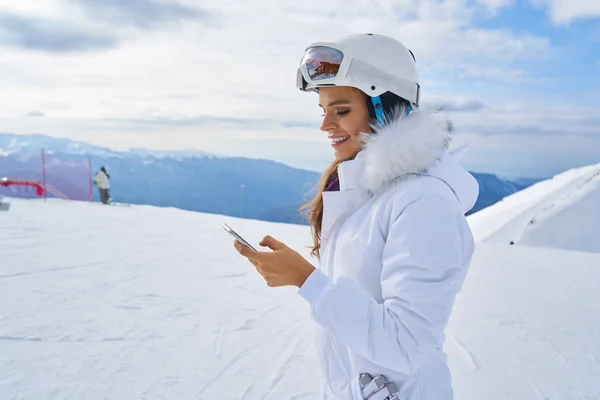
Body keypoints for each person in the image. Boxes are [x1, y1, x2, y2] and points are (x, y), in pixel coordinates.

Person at [234, 33, 479, 399]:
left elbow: (405, 344)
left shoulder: (423, 204)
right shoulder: (368, 194)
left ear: (386, 108)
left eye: (341, 110)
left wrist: (306, 280)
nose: (325, 125)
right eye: (324, 110)